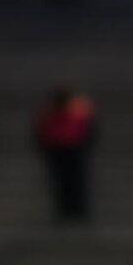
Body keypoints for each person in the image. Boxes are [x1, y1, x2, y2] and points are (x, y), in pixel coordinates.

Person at [33, 85, 97, 222]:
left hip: (71, 149)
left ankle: (76, 209)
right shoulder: (55, 111)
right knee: (66, 182)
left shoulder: (78, 110)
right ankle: (69, 210)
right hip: (62, 149)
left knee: (73, 182)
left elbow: (90, 129)